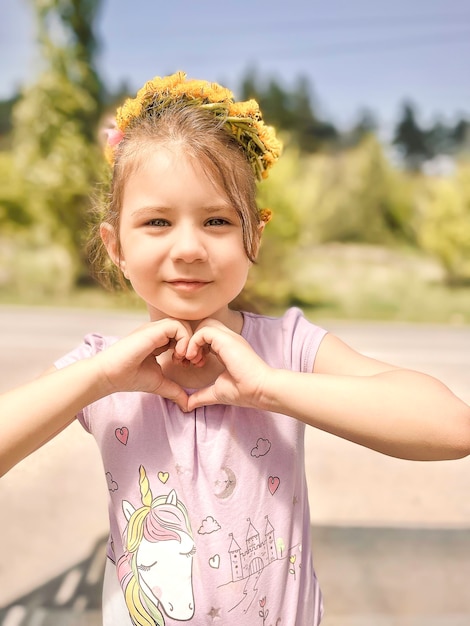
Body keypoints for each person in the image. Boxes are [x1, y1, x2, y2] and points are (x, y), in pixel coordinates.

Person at [1, 71, 469, 626]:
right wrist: (101, 378)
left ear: (254, 238)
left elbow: (450, 428)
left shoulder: (287, 347)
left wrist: (270, 387)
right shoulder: (102, 368)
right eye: (156, 221)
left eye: (218, 220)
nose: (190, 248)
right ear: (116, 246)